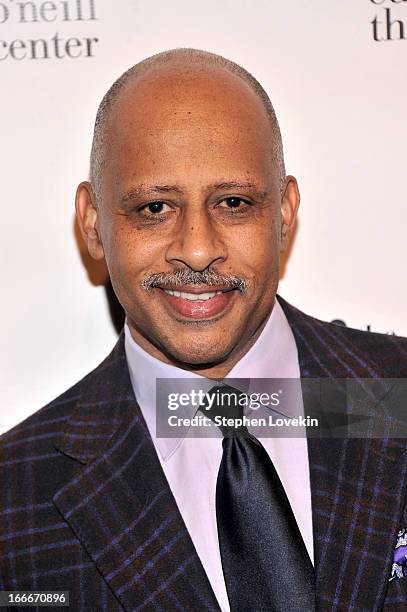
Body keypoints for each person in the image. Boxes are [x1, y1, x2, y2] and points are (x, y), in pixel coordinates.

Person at [1, 48, 407, 612]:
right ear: (93, 225)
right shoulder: (13, 497)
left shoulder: (397, 392)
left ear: (285, 212)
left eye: (234, 202)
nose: (197, 248)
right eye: (154, 209)